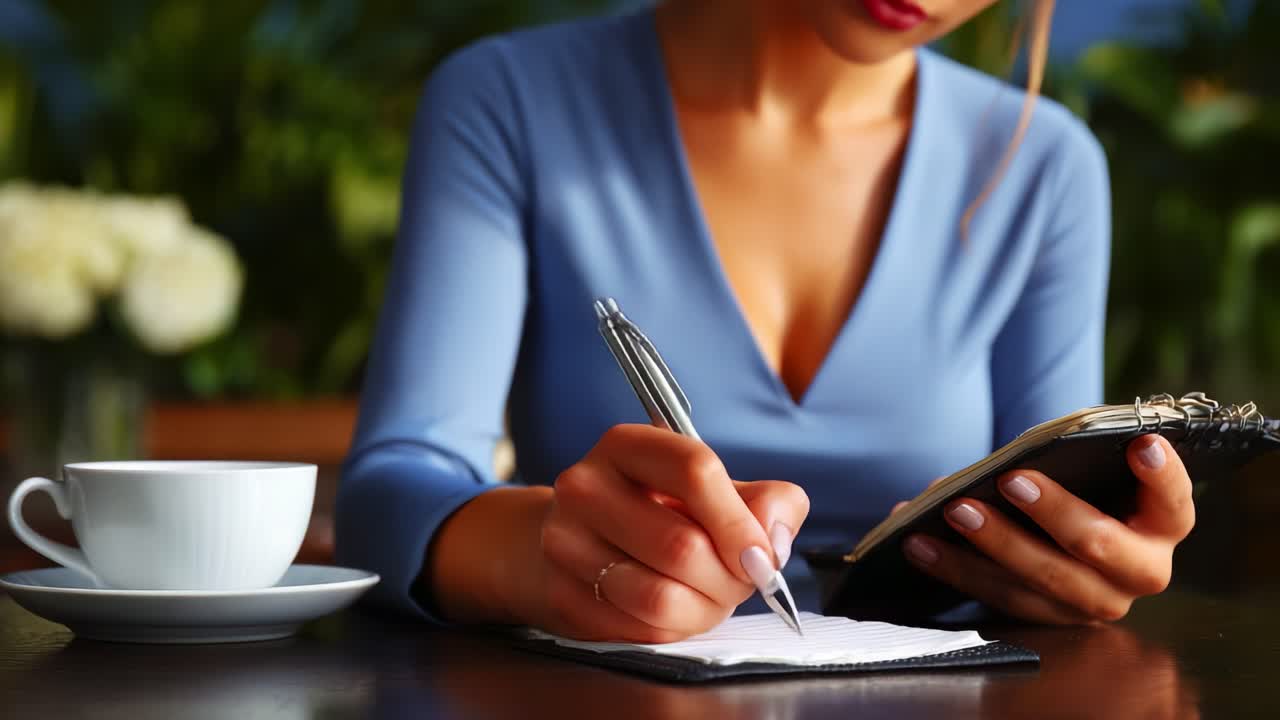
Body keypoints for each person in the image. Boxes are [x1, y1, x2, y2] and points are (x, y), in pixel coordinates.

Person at [335, 0, 1196, 642]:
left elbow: (1039, 518)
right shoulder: (507, 104)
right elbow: (389, 495)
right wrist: (543, 555)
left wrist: (1076, 560)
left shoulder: (1043, 167)